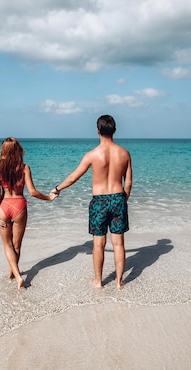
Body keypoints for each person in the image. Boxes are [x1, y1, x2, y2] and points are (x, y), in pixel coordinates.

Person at [52, 115, 132, 289]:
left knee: (98, 243)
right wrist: (122, 199)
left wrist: (57, 188)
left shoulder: (92, 155)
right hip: (118, 197)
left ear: (97, 131)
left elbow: (73, 177)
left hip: (99, 201)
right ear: (115, 130)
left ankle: (99, 281)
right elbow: (129, 183)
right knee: (118, 243)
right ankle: (119, 282)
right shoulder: (125, 153)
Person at [0, 137, 57, 290]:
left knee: (7, 245)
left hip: (4, 206)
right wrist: (49, 197)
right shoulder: (25, 168)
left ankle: (13, 274)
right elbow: (33, 192)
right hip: (19, 206)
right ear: (18, 150)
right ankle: (17, 276)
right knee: (16, 245)